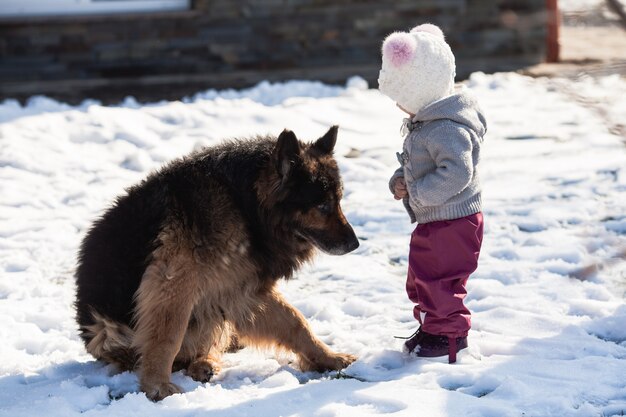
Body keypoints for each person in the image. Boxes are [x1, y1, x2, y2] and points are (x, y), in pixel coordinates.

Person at [378, 23, 487, 363]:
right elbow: (420, 164)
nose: (399, 106)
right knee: (422, 276)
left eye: (402, 97)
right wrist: (402, 180)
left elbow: (457, 171)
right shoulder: (430, 122)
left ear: (421, 91)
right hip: (438, 219)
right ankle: (432, 327)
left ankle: (449, 340)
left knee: (440, 280)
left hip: (453, 222)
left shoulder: (446, 128)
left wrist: (419, 193)